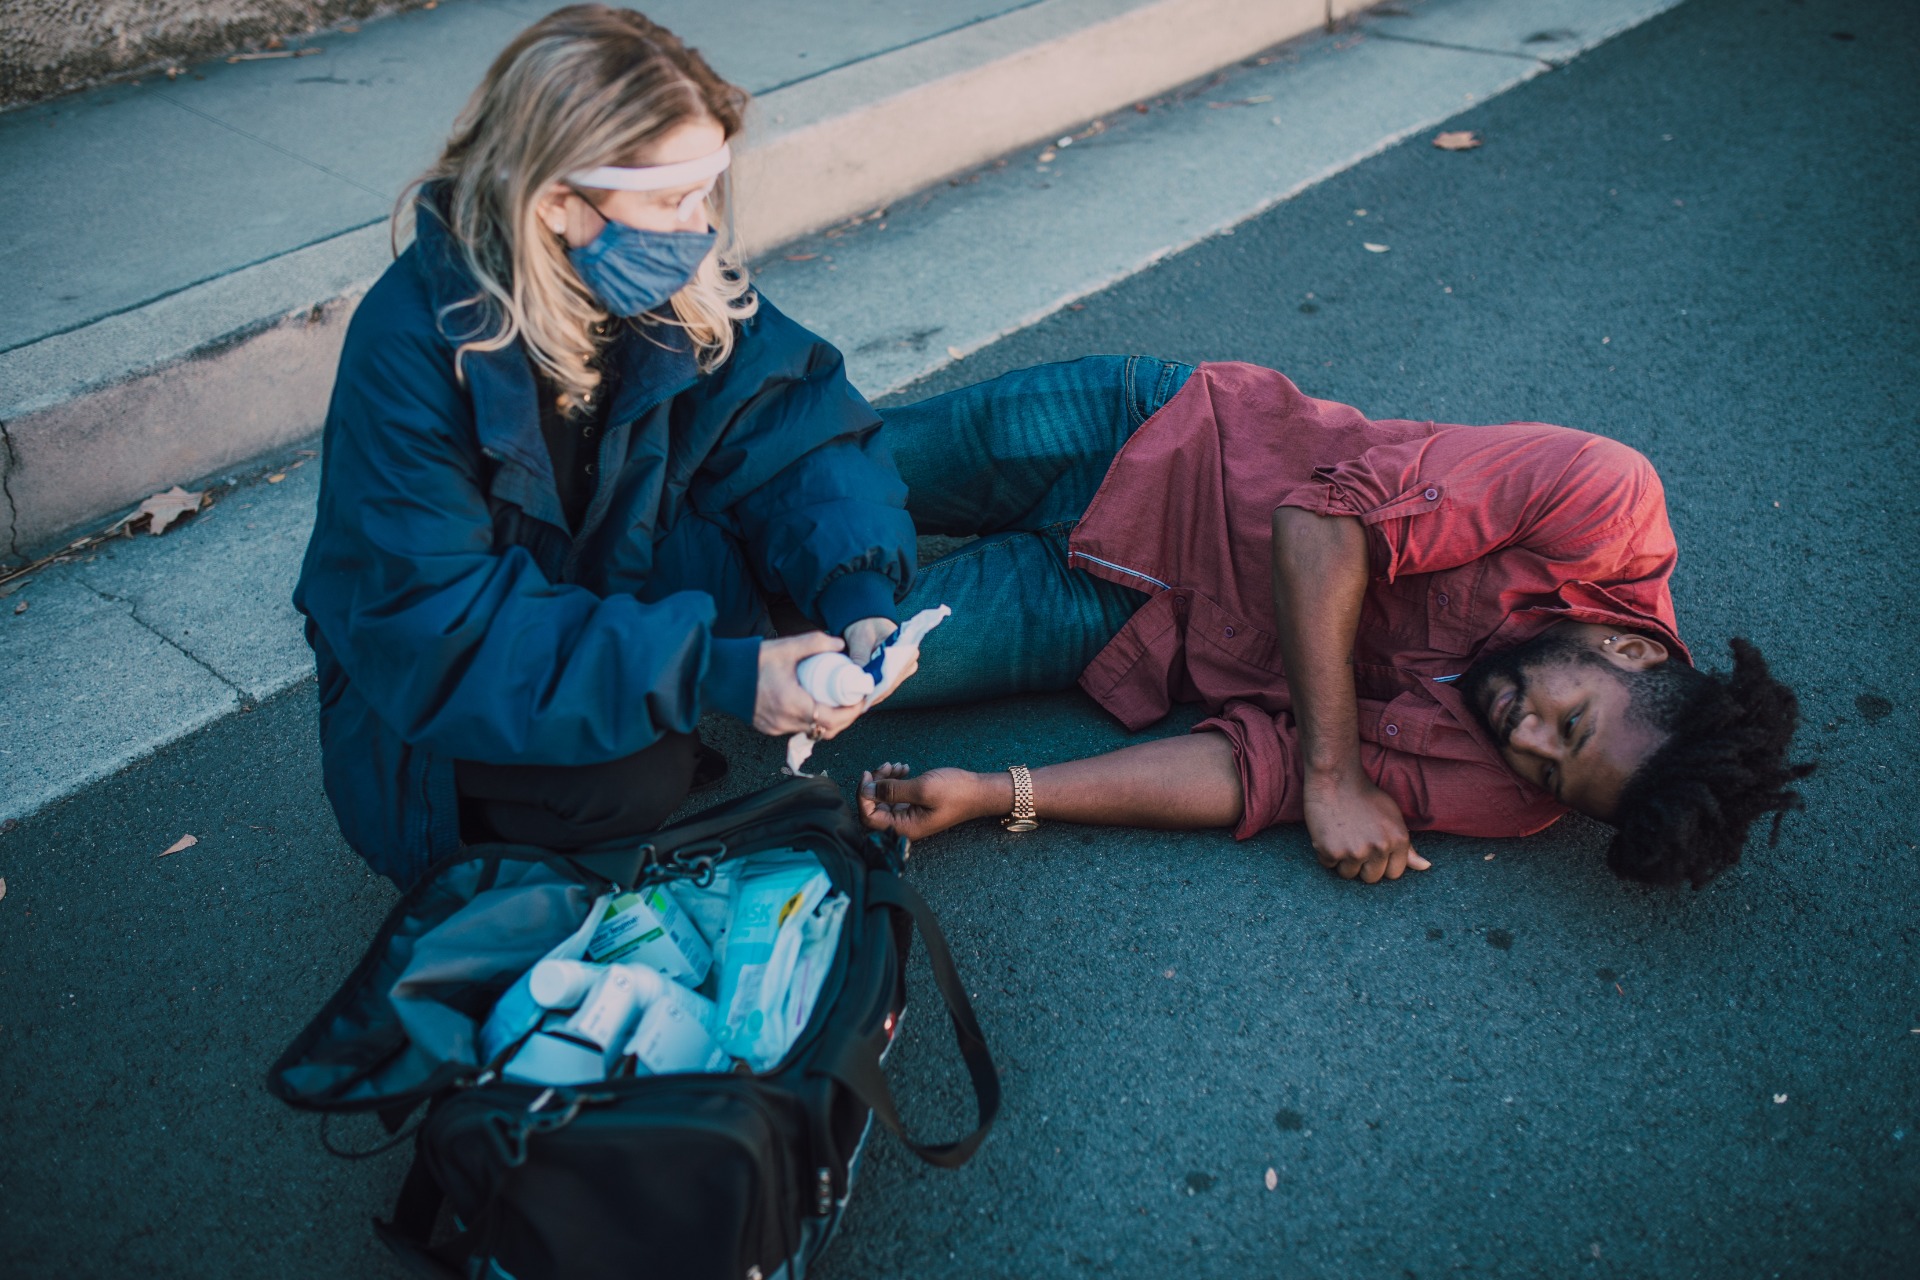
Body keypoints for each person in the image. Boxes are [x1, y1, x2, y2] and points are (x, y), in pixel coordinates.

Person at [295, 6, 911, 887]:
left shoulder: (651, 267)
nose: (700, 228)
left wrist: (859, 594)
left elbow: (791, 419)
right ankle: (508, 832)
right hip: (432, 704)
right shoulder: (413, 346)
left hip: (588, 576)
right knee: (633, 776)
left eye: (706, 189)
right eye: (670, 199)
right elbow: (442, 628)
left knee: (808, 544)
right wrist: (711, 669)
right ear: (555, 199)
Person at [857, 357, 1814, 888]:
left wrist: (997, 794)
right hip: (1157, 433)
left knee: (831, 668)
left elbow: (1252, 773)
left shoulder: (1513, 800)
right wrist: (1337, 771)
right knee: (817, 484)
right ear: (1630, 646)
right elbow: (1322, 525)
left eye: (1550, 770)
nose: (1525, 740)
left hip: (1115, 619)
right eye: (1569, 724)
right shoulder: (1602, 499)